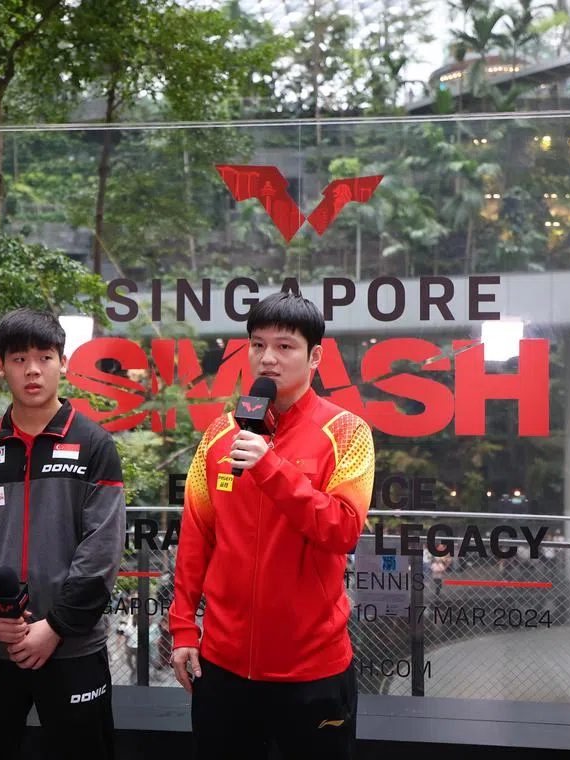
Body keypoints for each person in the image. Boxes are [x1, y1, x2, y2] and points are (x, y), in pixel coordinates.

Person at [169, 292, 375, 759]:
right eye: (258, 345)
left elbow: (342, 530)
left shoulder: (347, 432)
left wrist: (270, 467)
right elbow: (196, 538)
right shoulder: (220, 433)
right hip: (221, 666)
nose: (267, 358)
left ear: (315, 356)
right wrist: (183, 630)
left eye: (285, 346)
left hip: (313, 671)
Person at [0, 308, 126, 760]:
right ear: (1, 367)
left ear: (64, 363)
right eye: (19, 359)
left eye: (44, 357)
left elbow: (101, 551)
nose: (33, 370)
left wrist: (55, 627)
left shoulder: (94, 445)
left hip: (72, 645)